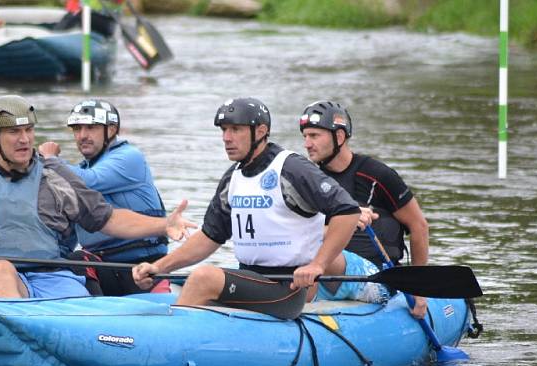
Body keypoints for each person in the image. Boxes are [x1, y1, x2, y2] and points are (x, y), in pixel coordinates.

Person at [0, 95, 195, 300]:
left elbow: (111, 219)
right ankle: (18, 343)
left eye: (28, 130)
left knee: (82, 306)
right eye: (13, 132)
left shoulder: (58, 177)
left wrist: (163, 224)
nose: (23, 139)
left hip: (56, 277)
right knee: (2, 269)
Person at [132, 97, 389, 320]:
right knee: (188, 280)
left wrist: (318, 265)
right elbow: (210, 237)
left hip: (288, 288)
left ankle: (173, 345)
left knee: (203, 278)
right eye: (223, 130)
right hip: (254, 279)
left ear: (261, 131)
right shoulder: (233, 177)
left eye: (235, 129)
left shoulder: (291, 169)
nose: (226, 138)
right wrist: (162, 266)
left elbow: (347, 211)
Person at [299, 100, 430, 318]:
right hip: (322, 275)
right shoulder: (310, 180)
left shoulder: (377, 175)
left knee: (310, 257)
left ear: (339, 137)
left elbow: (419, 227)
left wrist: (419, 290)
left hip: (373, 277)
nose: (307, 144)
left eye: (314, 136)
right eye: (305, 136)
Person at [38, 99, 169, 296]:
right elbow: (66, 235)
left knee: (78, 260)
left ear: (112, 129)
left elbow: (87, 181)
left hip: (143, 271)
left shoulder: (129, 157)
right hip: (103, 268)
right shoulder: (75, 172)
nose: (82, 136)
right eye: (77, 129)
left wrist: (50, 159)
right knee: (72, 260)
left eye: (90, 128)